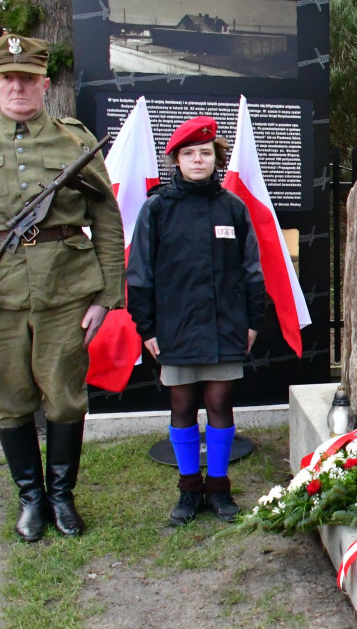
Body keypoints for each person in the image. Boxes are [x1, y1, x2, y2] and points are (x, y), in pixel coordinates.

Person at [0, 35, 125, 542]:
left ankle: (62, 496)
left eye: (27, 78)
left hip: (66, 288)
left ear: (44, 83)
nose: (17, 86)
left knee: (65, 395)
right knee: (5, 395)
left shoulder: (75, 139)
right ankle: (31, 499)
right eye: (6, 77)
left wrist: (108, 295)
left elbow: (106, 217)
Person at [127, 116, 266, 525]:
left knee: (221, 402)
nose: (198, 160)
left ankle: (219, 489)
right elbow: (139, 274)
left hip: (226, 326)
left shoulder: (233, 207)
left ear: (216, 158)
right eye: (189, 154)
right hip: (176, 327)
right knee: (183, 403)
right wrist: (147, 328)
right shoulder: (156, 209)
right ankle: (189, 491)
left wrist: (253, 322)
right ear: (176, 160)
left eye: (205, 153)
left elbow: (252, 271)